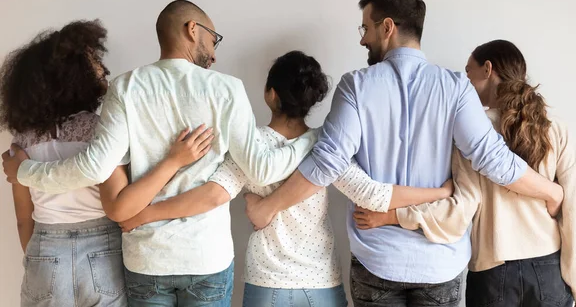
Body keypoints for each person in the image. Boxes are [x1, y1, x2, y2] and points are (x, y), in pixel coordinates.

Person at [241, 0, 565, 307]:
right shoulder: (456, 89)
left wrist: (269, 206)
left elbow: (328, 161)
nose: (362, 39)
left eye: (365, 28)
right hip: (440, 262)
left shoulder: (356, 85)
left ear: (387, 27)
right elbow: (492, 158)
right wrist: (550, 192)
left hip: (377, 260)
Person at [2, 0, 317, 307]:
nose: (215, 53)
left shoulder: (124, 88)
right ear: (192, 29)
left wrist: (25, 173)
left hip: (146, 257)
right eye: (213, 39)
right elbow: (260, 169)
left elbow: (93, 170)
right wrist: (311, 138)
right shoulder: (226, 89)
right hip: (204, 255)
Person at [116, 50, 454, 307]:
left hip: (267, 283)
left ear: (270, 94)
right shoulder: (327, 147)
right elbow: (374, 195)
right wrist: (437, 191)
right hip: (322, 283)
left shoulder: (250, 146)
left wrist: (146, 213)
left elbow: (212, 195)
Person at [355, 40, 576, 307]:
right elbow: (572, 212)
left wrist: (393, 216)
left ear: (487, 69)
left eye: (468, 72)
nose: (466, 81)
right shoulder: (556, 128)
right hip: (550, 270)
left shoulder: (473, 131)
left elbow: (460, 209)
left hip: (494, 272)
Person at [0, 20, 128, 307]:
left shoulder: (23, 140)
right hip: (103, 248)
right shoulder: (100, 129)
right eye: (94, 62)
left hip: (46, 247)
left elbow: (23, 217)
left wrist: (39, 257)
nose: (102, 69)